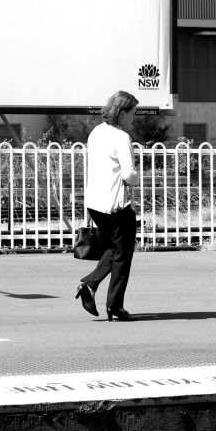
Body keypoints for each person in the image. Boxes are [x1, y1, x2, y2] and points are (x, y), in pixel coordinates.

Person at [75, 90, 140, 322]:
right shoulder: (121, 137)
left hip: (95, 203)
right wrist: (137, 177)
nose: (134, 118)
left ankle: (90, 285)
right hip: (116, 205)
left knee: (115, 248)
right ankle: (115, 306)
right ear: (122, 113)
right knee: (123, 255)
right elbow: (129, 174)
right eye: (132, 113)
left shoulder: (96, 133)